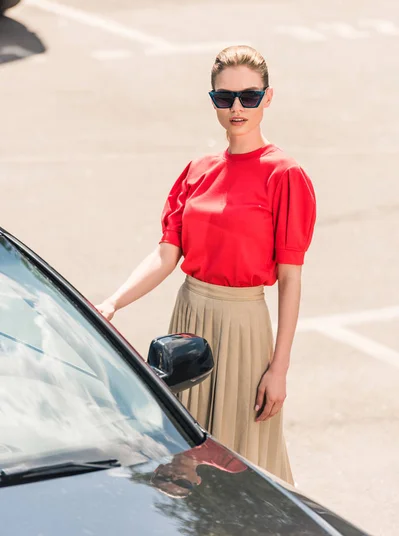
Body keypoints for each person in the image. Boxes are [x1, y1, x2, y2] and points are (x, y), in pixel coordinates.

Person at [96, 45, 316, 485]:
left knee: (238, 462)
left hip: (244, 327)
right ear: (213, 99)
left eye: (249, 97)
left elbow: (290, 280)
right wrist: (112, 303)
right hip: (188, 321)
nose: (237, 107)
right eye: (225, 97)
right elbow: (165, 255)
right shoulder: (197, 170)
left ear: (268, 98)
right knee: (183, 459)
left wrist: (279, 367)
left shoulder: (285, 174)